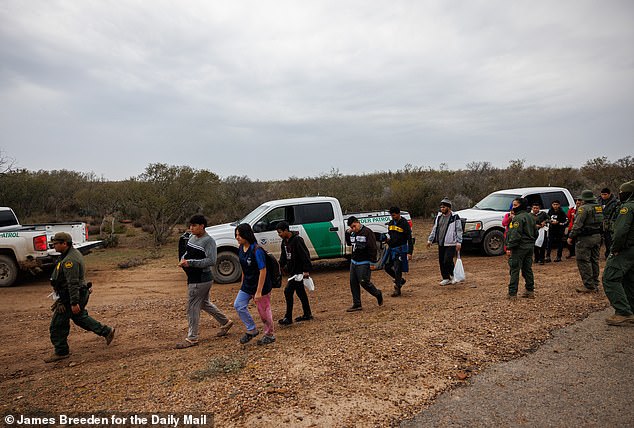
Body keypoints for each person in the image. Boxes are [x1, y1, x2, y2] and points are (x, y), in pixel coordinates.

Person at [45, 232, 115, 363]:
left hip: (72, 296)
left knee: (57, 325)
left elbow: (72, 283)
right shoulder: (70, 254)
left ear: (64, 244)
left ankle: (61, 352)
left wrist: (74, 302)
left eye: (55, 243)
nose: (53, 246)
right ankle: (106, 331)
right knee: (80, 318)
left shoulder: (69, 260)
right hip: (75, 294)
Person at [176, 215, 233, 349]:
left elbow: (211, 261)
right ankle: (225, 322)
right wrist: (184, 259)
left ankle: (192, 338)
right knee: (203, 303)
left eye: (194, 225)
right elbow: (187, 252)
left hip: (201, 279)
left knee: (192, 307)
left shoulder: (209, 241)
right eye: (190, 225)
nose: (191, 228)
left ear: (202, 226)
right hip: (195, 278)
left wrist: (190, 263)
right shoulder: (192, 237)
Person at [233, 223, 275, 345]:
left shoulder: (257, 250)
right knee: (238, 305)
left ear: (247, 235)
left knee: (264, 311)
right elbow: (244, 267)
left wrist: (259, 291)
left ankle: (269, 334)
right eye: (236, 235)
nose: (237, 237)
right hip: (247, 285)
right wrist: (243, 283)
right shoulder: (240, 249)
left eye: (240, 235)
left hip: (261, 286)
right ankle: (251, 329)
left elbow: (263, 270)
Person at [601, 180, 634, 326]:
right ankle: (631, 310)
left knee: (610, 278)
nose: (620, 194)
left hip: (625, 248)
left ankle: (623, 312)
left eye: (622, 192)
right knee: (628, 278)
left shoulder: (627, 208)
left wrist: (615, 248)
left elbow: (620, 231)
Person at [276, 221, 313, 325]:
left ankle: (288, 317)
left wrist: (306, 270)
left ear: (286, 230)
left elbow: (305, 255)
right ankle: (307, 314)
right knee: (300, 292)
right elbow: (283, 257)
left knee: (288, 291)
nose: (279, 235)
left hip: (299, 272)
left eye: (280, 232)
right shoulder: (284, 242)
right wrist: (279, 267)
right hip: (292, 272)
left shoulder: (297, 240)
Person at [568, 190, 603, 293]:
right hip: (597, 236)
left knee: (583, 261)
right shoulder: (598, 207)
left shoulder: (583, 209)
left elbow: (577, 224)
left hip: (585, 238)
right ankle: (595, 283)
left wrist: (571, 236)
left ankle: (589, 286)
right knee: (594, 260)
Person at [345, 216, 383, 311]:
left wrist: (372, 262)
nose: (353, 228)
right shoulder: (353, 233)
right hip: (354, 261)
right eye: (351, 227)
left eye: (354, 226)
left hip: (364, 262)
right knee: (353, 283)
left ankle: (377, 293)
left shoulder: (367, 232)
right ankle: (357, 304)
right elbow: (349, 244)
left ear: (358, 222)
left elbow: (372, 248)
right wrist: (347, 233)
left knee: (364, 282)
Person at [505, 198, 536, 299]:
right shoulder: (530, 216)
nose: (513, 207)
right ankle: (530, 290)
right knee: (527, 268)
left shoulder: (518, 218)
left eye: (515, 205)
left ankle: (512, 293)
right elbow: (536, 232)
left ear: (520, 205)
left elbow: (515, 235)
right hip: (529, 247)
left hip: (519, 248)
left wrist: (509, 247)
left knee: (514, 269)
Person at [427, 198, 463, 285]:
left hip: (451, 242)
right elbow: (435, 229)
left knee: (448, 260)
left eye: (444, 207)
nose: (442, 209)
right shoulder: (439, 217)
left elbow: (459, 230)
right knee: (441, 261)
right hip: (441, 242)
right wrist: (430, 240)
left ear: (449, 208)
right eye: (441, 207)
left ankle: (453, 275)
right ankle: (446, 278)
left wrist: (459, 242)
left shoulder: (455, 217)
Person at [384, 206, 413, 297]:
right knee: (387, 267)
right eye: (391, 215)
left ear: (398, 214)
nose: (393, 217)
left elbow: (409, 238)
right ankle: (400, 280)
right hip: (392, 249)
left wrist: (410, 252)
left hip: (400, 250)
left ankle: (397, 288)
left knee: (397, 269)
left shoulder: (404, 224)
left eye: (394, 215)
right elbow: (390, 236)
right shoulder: (391, 223)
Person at [599, 188, 620, 259]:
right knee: (598, 240)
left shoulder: (615, 202)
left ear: (609, 194)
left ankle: (608, 254)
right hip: (599, 223)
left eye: (605, 194)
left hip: (609, 224)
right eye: (602, 194)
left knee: (609, 240)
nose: (603, 196)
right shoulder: (598, 201)